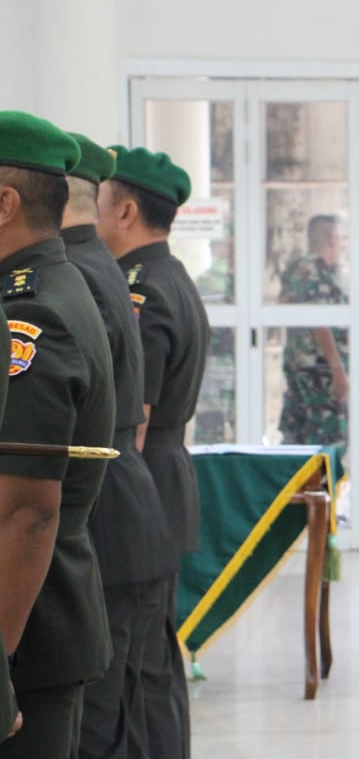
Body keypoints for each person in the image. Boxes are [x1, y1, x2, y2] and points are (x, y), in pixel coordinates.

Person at [0, 112, 113, 759]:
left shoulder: (33, 314)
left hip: (25, 634)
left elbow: (26, 512)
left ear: (5, 203)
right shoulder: (43, 289)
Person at [63, 135, 177, 759]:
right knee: (136, 702)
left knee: (104, 717)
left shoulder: (80, 274)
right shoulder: (111, 269)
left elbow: (132, 416)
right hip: (133, 504)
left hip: (110, 511)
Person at [99, 145, 211, 759]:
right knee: (153, 661)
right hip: (165, 481)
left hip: (144, 485)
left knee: (138, 670)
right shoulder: (172, 276)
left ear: (127, 211)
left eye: (100, 202)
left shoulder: (141, 292)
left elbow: (134, 421)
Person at [279, 214, 348, 446]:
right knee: (325, 438)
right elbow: (320, 322)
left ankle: (306, 482)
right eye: (340, 238)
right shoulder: (313, 270)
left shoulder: (298, 268)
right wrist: (337, 368)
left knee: (300, 435)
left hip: (305, 364)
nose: (343, 244)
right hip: (319, 370)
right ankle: (318, 483)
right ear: (329, 238)